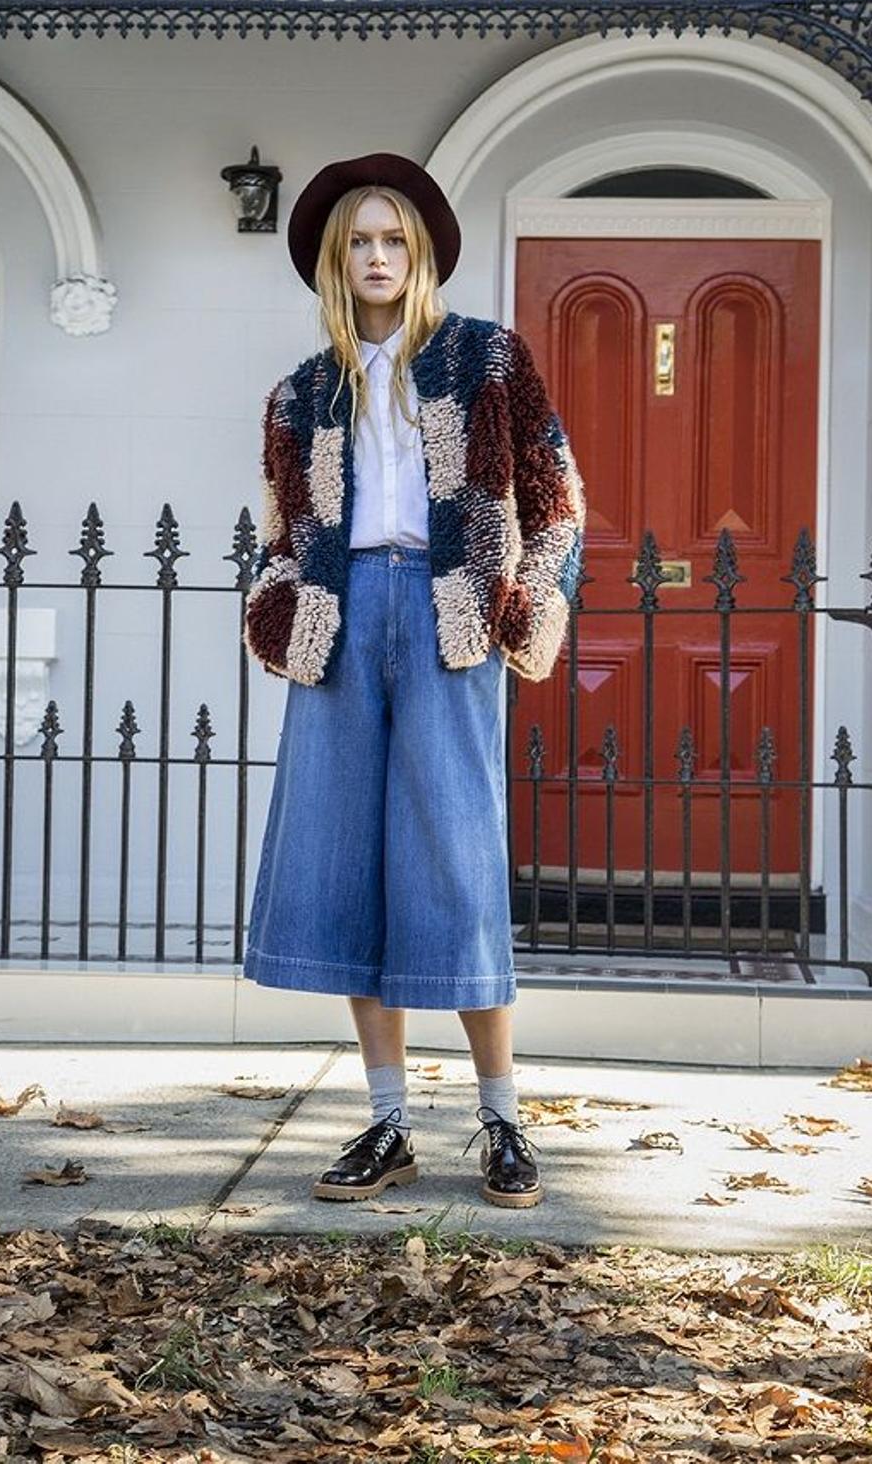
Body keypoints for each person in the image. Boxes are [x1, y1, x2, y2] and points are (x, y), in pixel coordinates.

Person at [241, 151, 586, 1210]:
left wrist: (516, 604)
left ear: (422, 252)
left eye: (395, 240)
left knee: (457, 858)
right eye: (360, 242)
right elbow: (283, 528)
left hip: (448, 620)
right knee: (346, 861)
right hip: (344, 626)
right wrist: (279, 606)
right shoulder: (302, 392)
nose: (379, 257)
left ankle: (503, 1119)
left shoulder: (487, 359)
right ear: (336, 262)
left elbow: (558, 498)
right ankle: (387, 1122)